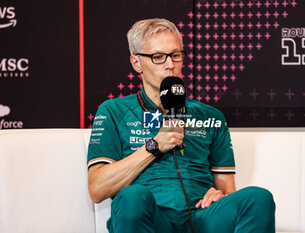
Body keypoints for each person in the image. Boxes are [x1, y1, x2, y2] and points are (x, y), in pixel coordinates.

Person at [87, 18, 275, 233]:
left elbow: (226, 188)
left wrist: (219, 195)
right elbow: (97, 189)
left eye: (176, 55)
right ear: (136, 63)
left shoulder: (211, 116)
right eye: (158, 57)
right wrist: (154, 146)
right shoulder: (113, 111)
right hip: (152, 219)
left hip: (201, 217)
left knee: (258, 198)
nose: (171, 65)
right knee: (133, 196)